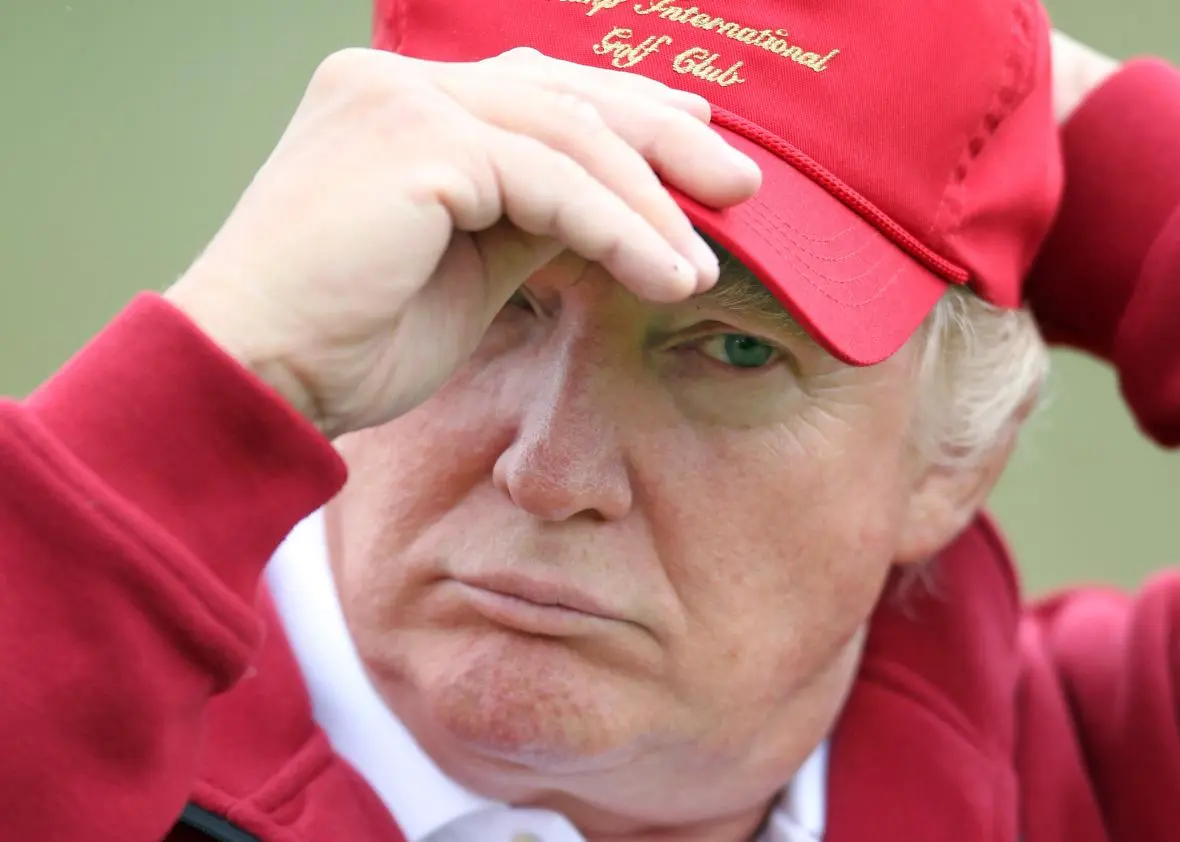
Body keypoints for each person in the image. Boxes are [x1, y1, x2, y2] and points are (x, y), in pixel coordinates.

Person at [0, 0, 1176, 839]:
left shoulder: (1102, 771)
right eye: (486, 299)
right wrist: (203, 380)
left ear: (956, 458)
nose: (550, 471)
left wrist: (1029, 117)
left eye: (735, 348)